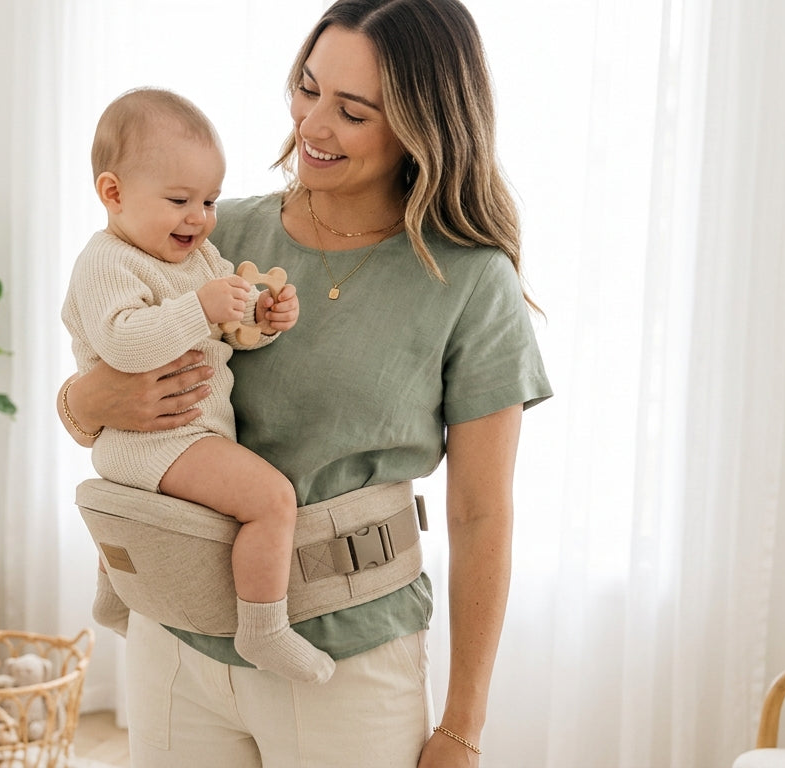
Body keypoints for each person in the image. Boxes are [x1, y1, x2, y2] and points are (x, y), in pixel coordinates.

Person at [56, 1, 553, 766]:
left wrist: (462, 727)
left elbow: (483, 514)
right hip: (176, 637)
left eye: (352, 111)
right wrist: (81, 403)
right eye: (307, 88)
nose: (313, 125)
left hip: (346, 663)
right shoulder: (216, 233)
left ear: (422, 126)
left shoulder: (469, 281)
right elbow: (107, 373)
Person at [61, 87, 331, 684]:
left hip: (176, 438)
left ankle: (116, 596)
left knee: (154, 522)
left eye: (209, 199)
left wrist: (260, 322)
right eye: (180, 199)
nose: (200, 216)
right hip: (155, 438)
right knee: (270, 501)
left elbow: (224, 333)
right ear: (113, 194)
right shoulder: (107, 260)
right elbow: (124, 344)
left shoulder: (199, 258)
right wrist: (201, 307)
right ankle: (264, 629)